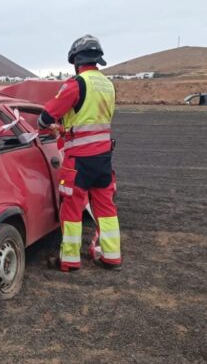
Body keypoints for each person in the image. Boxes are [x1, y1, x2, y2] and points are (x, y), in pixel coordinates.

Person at [39, 34, 122, 272]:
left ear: (75, 60)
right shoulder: (108, 85)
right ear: (98, 59)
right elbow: (93, 121)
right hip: (104, 158)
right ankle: (112, 256)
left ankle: (70, 260)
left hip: (78, 162)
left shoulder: (75, 85)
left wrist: (50, 128)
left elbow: (45, 118)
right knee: (105, 207)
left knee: (72, 208)